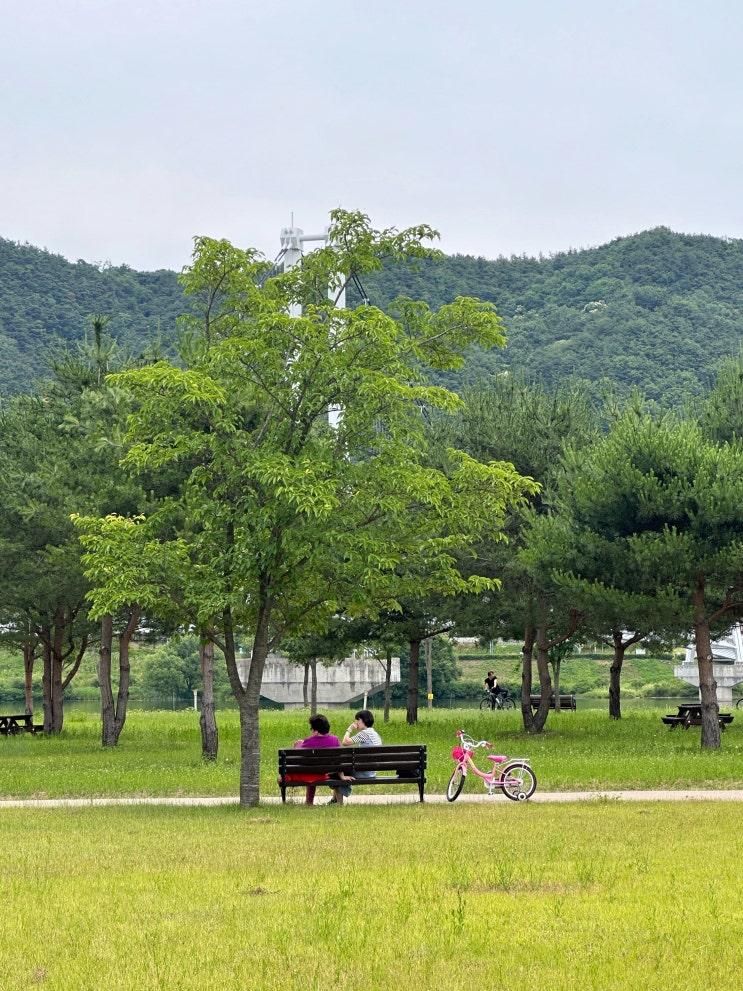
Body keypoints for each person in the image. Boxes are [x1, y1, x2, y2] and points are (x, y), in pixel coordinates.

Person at [327, 709, 382, 806]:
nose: (356, 722)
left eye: (357, 720)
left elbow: (345, 742)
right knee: (340, 771)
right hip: (371, 771)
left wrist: (349, 729)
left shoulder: (364, 733)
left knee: (335, 772)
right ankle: (334, 799)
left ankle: (338, 803)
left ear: (362, 720)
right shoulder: (374, 733)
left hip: (364, 772)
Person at [289, 713, 341, 806]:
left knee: (311, 772)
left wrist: (299, 744)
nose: (311, 731)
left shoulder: (309, 741)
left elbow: (298, 754)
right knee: (313, 771)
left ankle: (309, 802)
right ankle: (309, 802)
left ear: (316, 731)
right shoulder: (335, 739)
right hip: (327, 772)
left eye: (311, 729)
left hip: (313, 773)